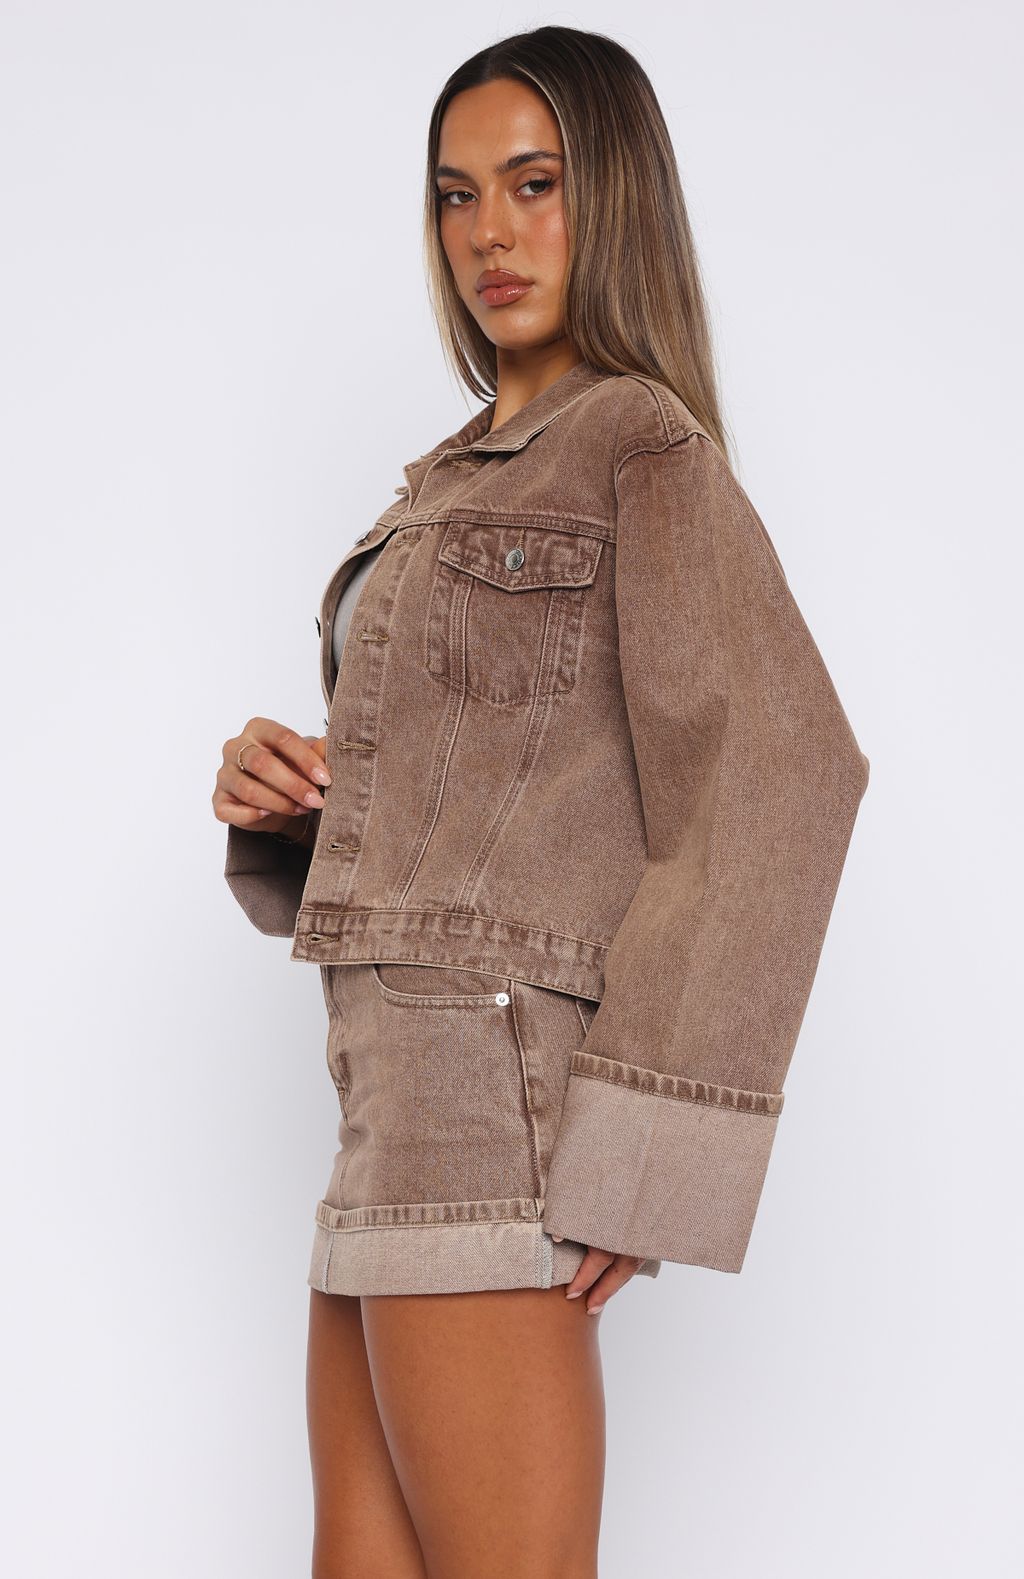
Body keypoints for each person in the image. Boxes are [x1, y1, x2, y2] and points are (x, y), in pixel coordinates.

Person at [211, 26, 870, 1579]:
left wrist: (647, 1155)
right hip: (384, 1104)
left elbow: (783, 772)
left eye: (533, 184)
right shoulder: (447, 480)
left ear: (614, 197)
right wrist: (285, 803)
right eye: (456, 196)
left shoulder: (640, 446)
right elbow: (489, 812)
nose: (488, 235)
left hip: (492, 1110)